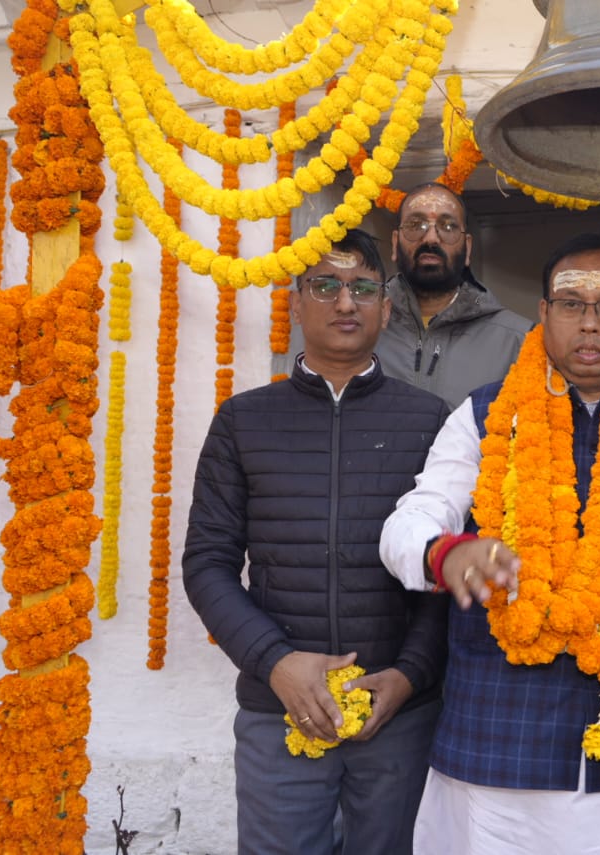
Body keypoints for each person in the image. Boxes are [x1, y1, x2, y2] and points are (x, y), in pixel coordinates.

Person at [380, 234, 600, 854]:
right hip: (503, 755)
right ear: (543, 314)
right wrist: (449, 553)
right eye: (572, 304)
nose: (590, 322)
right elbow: (408, 524)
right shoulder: (485, 414)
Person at [182, 230, 450, 855]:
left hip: (397, 716)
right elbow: (207, 564)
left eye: (362, 288)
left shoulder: (430, 419)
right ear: (296, 303)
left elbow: (444, 571)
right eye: (325, 286)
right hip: (278, 709)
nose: (345, 303)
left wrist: (409, 676)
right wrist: (275, 662)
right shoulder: (243, 420)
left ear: (388, 306)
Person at [377, 182, 533, 409]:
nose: (431, 238)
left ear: (467, 248)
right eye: (415, 224)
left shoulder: (519, 340)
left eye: (448, 226)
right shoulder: (358, 325)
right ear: (394, 243)